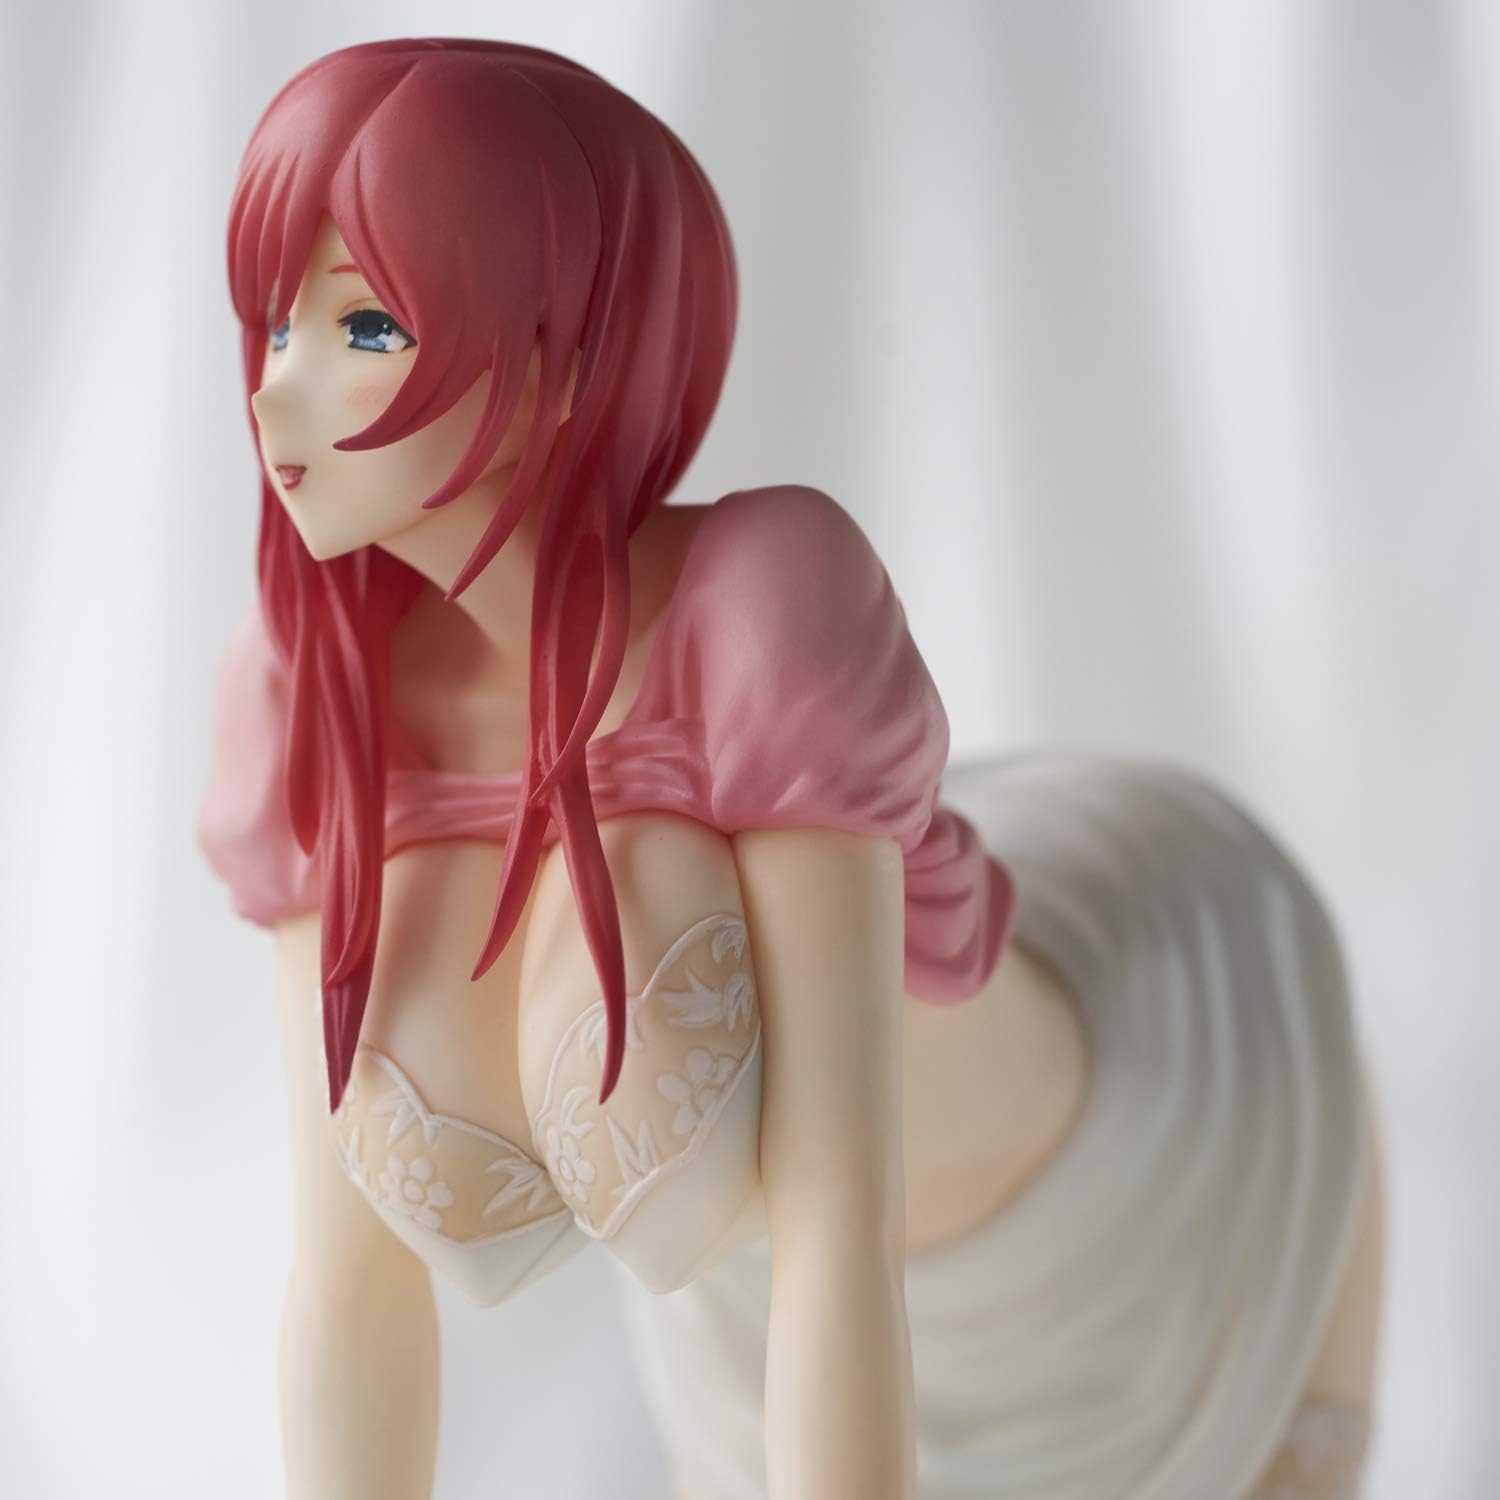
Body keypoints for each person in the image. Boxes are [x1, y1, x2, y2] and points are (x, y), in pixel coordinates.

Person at [198, 38, 1382, 1498]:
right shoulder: (307, 698)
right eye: (277, 328)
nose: (277, 397)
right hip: (766, 1357)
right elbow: (347, 1285)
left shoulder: (755, 605)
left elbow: (840, 1230)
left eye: (367, 326)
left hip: (1155, 1168)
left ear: (566, 356)